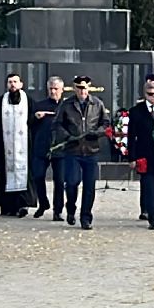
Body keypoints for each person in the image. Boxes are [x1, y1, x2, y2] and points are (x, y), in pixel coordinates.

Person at [52, 76, 108, 228]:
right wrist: (68, 137)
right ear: (75, 88)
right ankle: (71, 208)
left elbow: (106, 123)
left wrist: (96, 133)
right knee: (71, 182)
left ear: (89, 88)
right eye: (79, 88)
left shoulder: (97, 104)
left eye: (85, 88)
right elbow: (57, 125)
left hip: (91, 150)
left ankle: (86, 217)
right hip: (73, 150)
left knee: (90, 186)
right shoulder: (67, 105)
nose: (82, 91)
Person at [0, 74, 34, 218]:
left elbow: (34, 123)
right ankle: (7, 206)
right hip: (5, 149)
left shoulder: (29, 102)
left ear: (21, 84)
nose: (13, 85)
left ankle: (23, 205)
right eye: (10, 82)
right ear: (7, 85)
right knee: (4, 177)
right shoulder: (0, 102)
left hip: (24, 149)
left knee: (24, 176)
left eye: (15, 82)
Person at [125, 74, 154, 230]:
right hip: (145, 155)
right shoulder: (136, 111)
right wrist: (131, 157)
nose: (153, 97)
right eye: (150, 94)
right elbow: (131, 136)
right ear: (144, 94)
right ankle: (153, 217)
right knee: (149, 186)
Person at [29, 76, 64, 219]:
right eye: (50, 88)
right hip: (41, 147)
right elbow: (29, 123)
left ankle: (58, 210)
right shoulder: (39, 105)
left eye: (56, 89)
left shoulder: (66, 106)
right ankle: (43, 203)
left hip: (60, 148)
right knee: (38, 176)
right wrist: (35, 117)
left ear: (62, 90)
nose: (53, 91)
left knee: (60, 180)